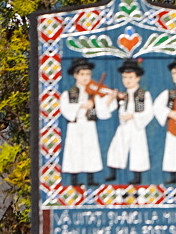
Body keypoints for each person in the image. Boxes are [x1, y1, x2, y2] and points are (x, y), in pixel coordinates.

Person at [59, 58, 112, 186]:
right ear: (75, 75)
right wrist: (81, 106)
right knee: (74, 150)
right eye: (82, 74)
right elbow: (65, 109)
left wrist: (109, 98)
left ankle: (90, 179)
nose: (85, 77)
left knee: (90, 150)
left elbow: (102, 108)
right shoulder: (69, 93)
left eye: (88, 74)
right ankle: (74, 180)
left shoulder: (94, 92)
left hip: (89, 124)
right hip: (75, 125)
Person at [104, 59, 153, 184]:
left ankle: (137, 177)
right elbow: (110, 108)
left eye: (130, 77)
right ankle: (113, 173)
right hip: (123, 126)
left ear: (137, 78)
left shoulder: (143, 94)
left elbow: (149, 112)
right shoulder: (123, 95)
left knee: (138, 150)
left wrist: (133, 116)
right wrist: (111, 99)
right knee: (116, 148)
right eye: (124, 77)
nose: (127, 80)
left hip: (137, 127)